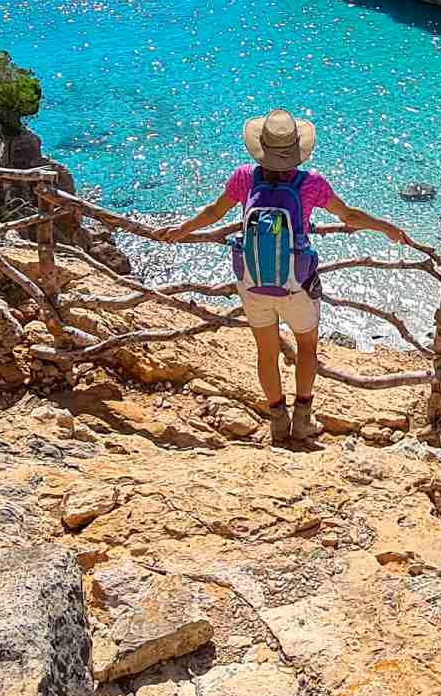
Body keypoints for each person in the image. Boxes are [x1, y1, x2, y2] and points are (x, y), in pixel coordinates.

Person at [167, 108, 414, 444]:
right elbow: (349, 215)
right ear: (297, 150)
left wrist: (181, 231)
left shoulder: (244, 177)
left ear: (262, 148)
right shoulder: (310, 183)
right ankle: (302, 421)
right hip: (296, 284)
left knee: (266, 352)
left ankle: (277, 422)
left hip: (253, 282)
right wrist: (387, 227)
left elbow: (213, 212)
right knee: (307, 348)